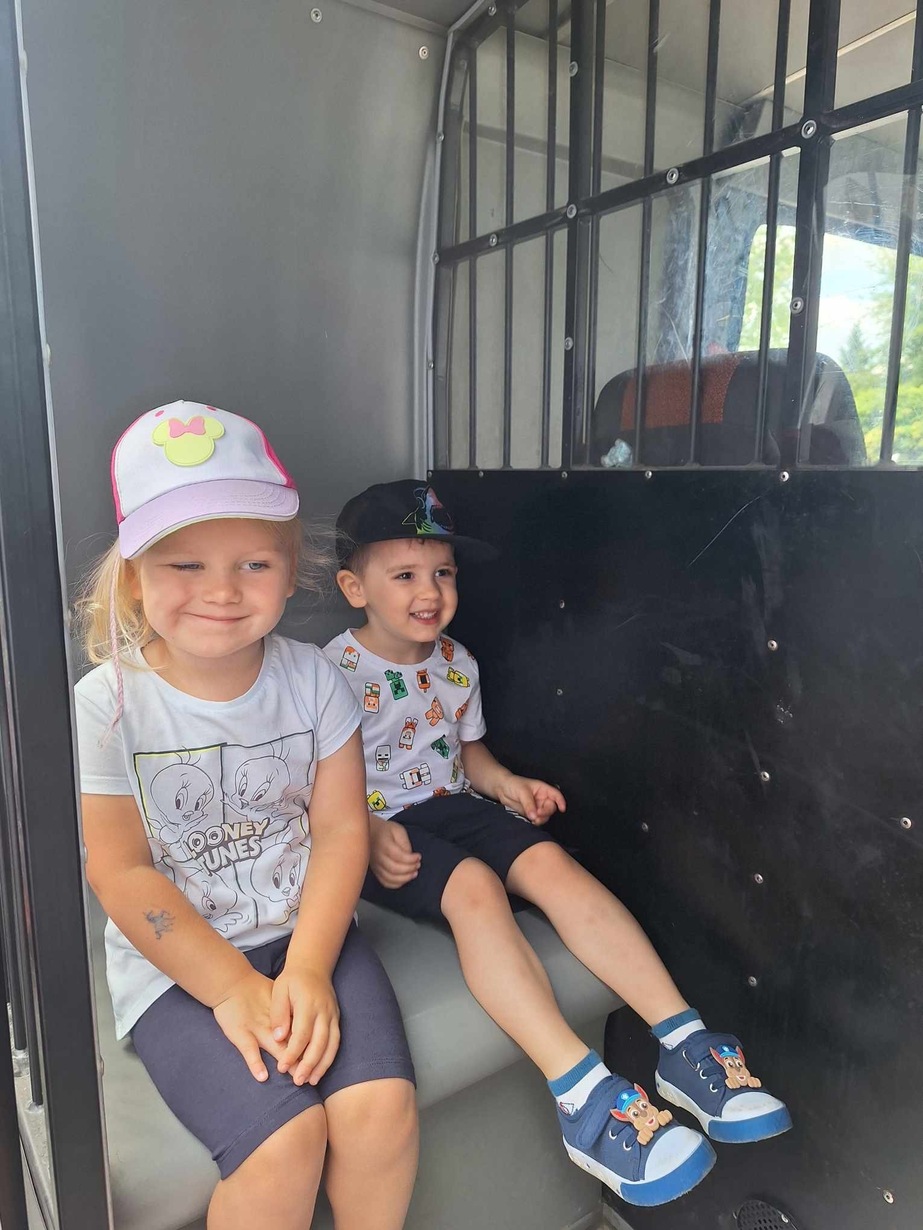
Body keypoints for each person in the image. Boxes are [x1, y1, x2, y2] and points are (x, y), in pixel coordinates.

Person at [325, 479, 792, 1209]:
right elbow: (313, 782)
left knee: (550, 863)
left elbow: (466, 754)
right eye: (405, 575)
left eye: (443, 572)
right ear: (355, 588)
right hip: (374, 828)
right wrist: (368, 828)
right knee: (476, 888)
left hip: (453, 805)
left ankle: (684, 1042)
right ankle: (582, 1094)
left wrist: (506, 783)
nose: (431, 591)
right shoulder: (328, 674)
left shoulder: (456, 661)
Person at [74, 403, 418, 1230]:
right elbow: (119, 870)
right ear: (134, 576)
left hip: (310, 934)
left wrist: (308, 968)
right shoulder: (106, 702)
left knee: (379, 1113)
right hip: (177, 967)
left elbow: (342, 830)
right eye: (185, 563)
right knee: (283, 1143)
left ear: (290, 569)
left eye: (253, 563)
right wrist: (230, 987)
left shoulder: (314, 681)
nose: (222, 591)